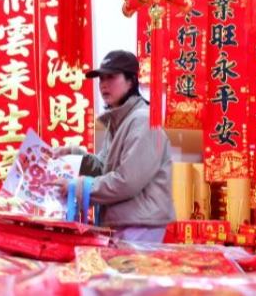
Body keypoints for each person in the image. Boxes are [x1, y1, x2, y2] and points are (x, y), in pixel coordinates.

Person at [56, 50, 175, 242]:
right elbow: (105, 168)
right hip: (127, 221)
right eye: (101, 78)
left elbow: (126, 181)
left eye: (111, 77)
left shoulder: (143, 122)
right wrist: (75, 156)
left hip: (140, 224)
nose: (103, 84)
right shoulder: (121, 120)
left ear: (131, 80)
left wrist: (79, 187)